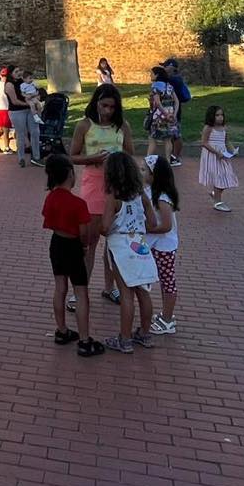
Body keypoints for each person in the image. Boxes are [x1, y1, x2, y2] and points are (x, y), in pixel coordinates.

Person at [69, 84, 133, 307]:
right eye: (104, 105)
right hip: (94, 185)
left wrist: (119, 162)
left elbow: (130, 154)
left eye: (112, 107)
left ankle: (110, 287)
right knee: (89, 242)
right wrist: (92, 158)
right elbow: (73, 156)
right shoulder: (84, 125)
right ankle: (80, 292)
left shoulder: (122, 126)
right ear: (95, 102)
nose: (107, 111)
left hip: (117, 186)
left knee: (114, 241)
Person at [42, 155, 103, 357]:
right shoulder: (78, 204)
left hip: (57, 244)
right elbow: (84, 232)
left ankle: (61, 330)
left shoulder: (50, 197)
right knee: (80, 292)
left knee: (60, 287)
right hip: (73, 246)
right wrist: (84, 246)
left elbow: (48, 219)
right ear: (70, 174)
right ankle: (85, 340)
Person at [100, 150, 159, 354]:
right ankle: (145, 333)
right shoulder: (141, 194)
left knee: (126, 293)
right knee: (143, 291)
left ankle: (124, 339)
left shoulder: (113, 197)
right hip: (139, 243)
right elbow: (152, 222)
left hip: (120, 246)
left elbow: (105, 227)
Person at [146, 155, 180, 335]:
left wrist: (147, 229)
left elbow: (166, 226)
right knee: (163, 280)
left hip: (164, 246)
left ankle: (168, 319)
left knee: (168, 281)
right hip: (156, 244)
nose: (142, 173)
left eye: (145, 170)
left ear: (154, 175)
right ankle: (165, 315)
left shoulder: (162, 198)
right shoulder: (150, 191)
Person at [198, 105, 241, 211]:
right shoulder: (208, 128)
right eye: (217, 115)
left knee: (227, 176)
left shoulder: (224, 128)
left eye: (221, 115)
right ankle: (218, 202)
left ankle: (215, 194)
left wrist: (233, 150)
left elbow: (226, 141)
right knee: (219, 177)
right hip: (212, 156)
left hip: (223, 155)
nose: (220, 117)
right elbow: (204, 143)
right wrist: (216, 152)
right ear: (211, 116)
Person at [145, 66, 179, 162]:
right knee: (168, 139)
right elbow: (177, 101)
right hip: (170, 115)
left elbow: (157, 102)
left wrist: (164, 113)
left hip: (158, 116)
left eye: (152, 73)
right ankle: (168, 160)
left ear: (157, 75)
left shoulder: (156, 86)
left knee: (152, 138)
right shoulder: (169, 86)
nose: (150, 75)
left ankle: (148, 160)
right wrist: (174, 115)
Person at [162, 59, 191, 167]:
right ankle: (173, 155)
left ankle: (175, 156)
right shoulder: (173, 79)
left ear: (171, 67)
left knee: (176, 134)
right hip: (170, 110)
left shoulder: (175, 80)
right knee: (173, 135)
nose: (163, 69)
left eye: (165, 66)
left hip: (174, 112)